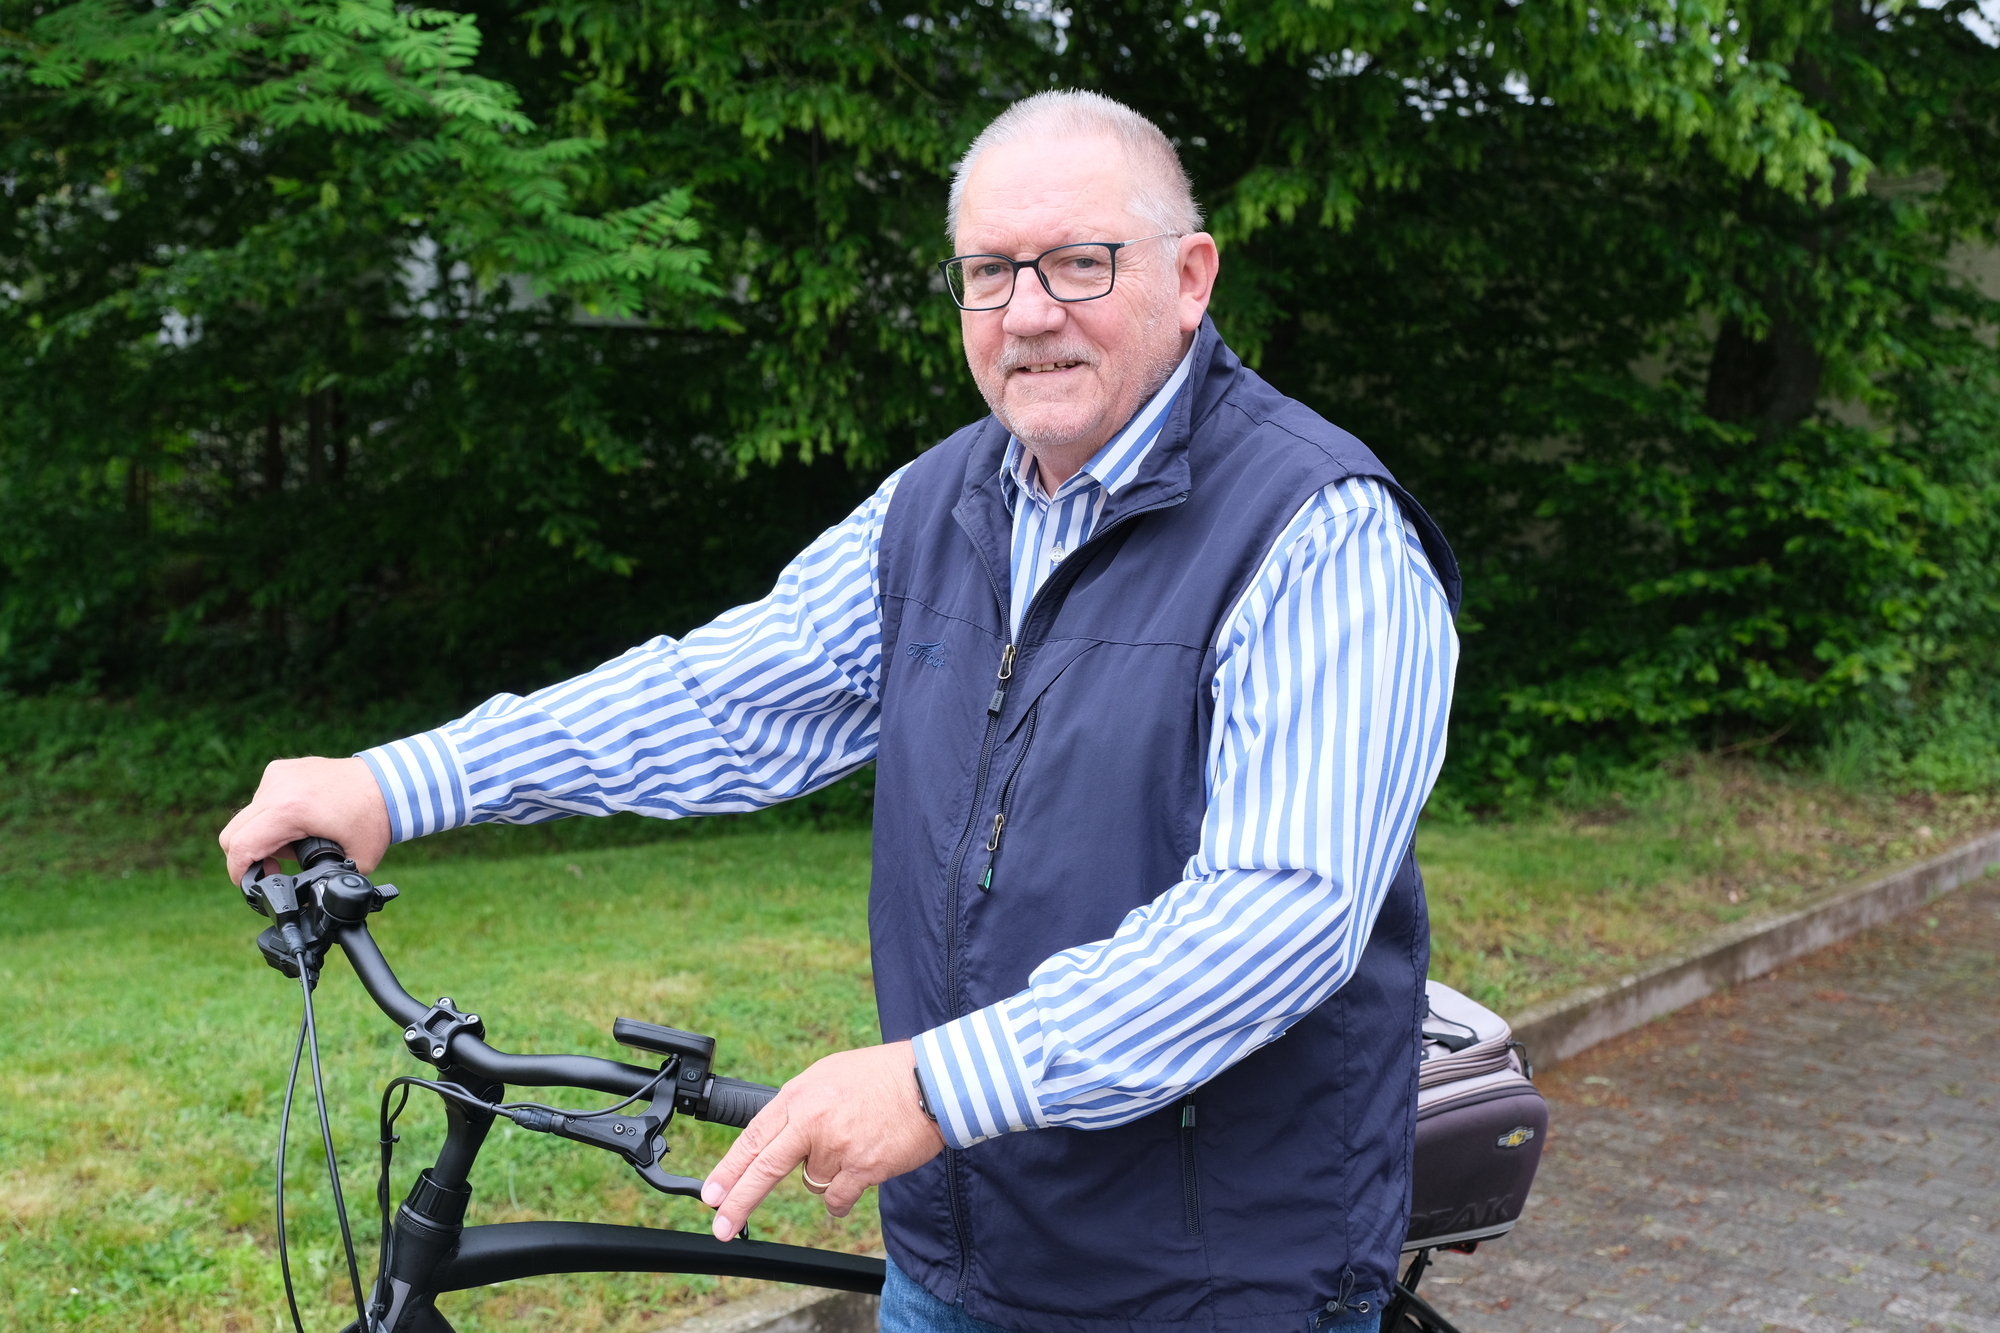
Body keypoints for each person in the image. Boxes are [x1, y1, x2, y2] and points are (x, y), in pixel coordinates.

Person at [220, 91, 1460, 1333]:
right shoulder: (938, 504)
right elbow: (717, 695)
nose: (1029, 312)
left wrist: (933, 1084)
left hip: (1213, 1289)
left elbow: (1278, 913)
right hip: (954, 1259)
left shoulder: (1318, 533)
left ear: (1188, 278)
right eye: (989, 272)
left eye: (1079, 263)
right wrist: (400, 781)